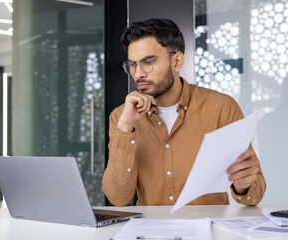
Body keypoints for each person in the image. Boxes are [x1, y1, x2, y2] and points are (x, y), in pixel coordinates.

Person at [102, 18, 266, 207]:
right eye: (132, 64)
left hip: (209, 230)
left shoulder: (221, 107)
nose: (138, 73)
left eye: (148, 62)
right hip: (150, 233)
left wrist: (243, 186)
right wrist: (125, 128)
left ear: (177, 61)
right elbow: (118, 198)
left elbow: (256, 192)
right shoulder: (121, 117)